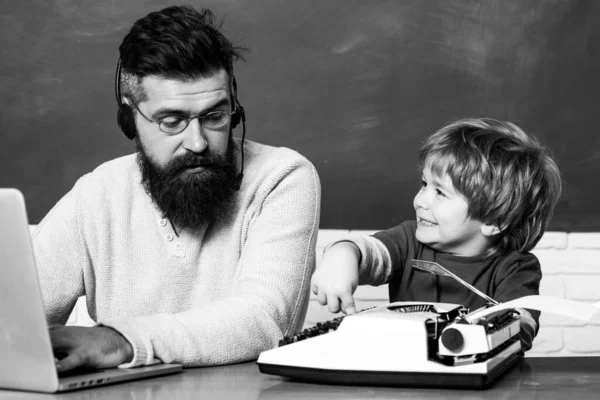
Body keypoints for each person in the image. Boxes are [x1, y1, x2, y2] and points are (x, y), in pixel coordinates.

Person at [32, 5, 320, 372]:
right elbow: (15, 317)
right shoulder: (96, 195)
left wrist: (122, 341)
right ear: (129, 118)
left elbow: (266, 318)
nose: (198, 142)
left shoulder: (283, 178)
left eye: (215, 116)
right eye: (172, 121)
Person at [311, 118, 562, 351]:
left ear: (494, 220)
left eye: (440, 192)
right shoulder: (409, 240)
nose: (420, 201)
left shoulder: (516, 268)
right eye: (424, 184)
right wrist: (341, 254)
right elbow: (367, 252)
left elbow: (521, 328)